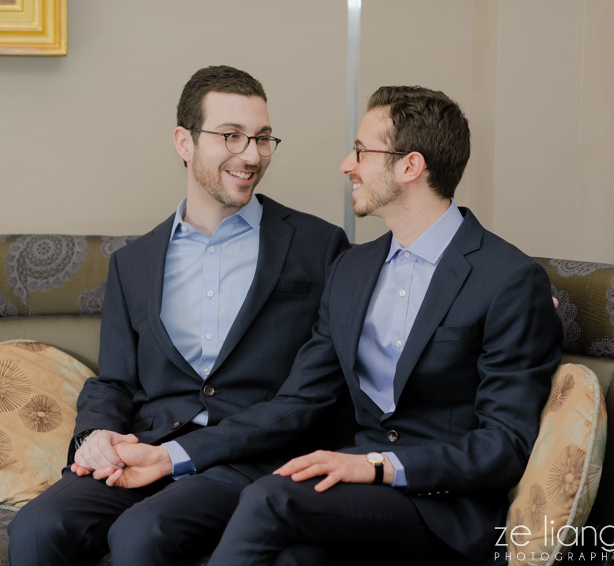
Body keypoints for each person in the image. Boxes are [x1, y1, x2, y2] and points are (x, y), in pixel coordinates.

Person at [200, 85, 563, 565]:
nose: (346, 165)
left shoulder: (508, 279)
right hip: (360, 493)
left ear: (409, 166)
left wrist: (377, 466)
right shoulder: (350, 270)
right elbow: (300, 400)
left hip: (447, 510)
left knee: (270, 497)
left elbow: (504, 445)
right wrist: (173, 453)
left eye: (360, 151)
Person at [6, 65, 350, 566]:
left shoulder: (320, 247)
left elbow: (313, 395)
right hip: (146, 445)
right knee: (37, 528)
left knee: (144, 532)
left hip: (250, 457)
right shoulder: (133, 262)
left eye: (262, 138)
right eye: (231, 136)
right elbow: (114, 380)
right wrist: (95, 436)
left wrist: (173, 458)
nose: (251, 155)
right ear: (184, 142)